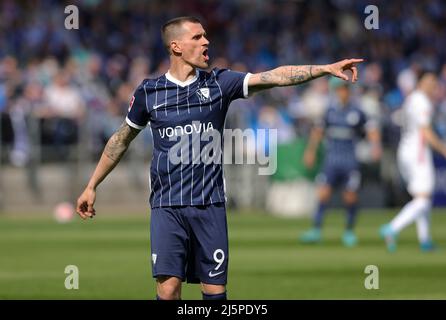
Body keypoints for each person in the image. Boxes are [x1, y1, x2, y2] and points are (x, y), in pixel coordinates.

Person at [76, 16, 364, 300]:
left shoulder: (220, 82)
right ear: (176, 46)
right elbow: (121, 139)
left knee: (214, 290)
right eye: (198, 37)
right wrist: (92, 185)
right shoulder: (149, 92)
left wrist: (324, 69)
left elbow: (274, 77)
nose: (206, 41)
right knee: (168, 289)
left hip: (209, 204)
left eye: (205, 36)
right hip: (167, 205)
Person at [300, 77, 381, 247]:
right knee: (323, 193)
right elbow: (318, 132)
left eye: (345, 89)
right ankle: (316, 230)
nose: (342, 92)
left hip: (350, 161)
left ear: (348, 91)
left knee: (350, 196)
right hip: (332, 160)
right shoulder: (330, 111)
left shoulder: (357, 112)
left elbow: (372, 129)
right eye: (339, 89)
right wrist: (311, 151)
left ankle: (349, 231)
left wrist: (375, 146)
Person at [380, 72, 446, 252]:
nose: (434, 85)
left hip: (406, 149)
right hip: (418, 153)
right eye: (431, 81)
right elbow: (426, 132)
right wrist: (443, 148)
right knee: (424, 199)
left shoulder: (411, 99)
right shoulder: (422, 101)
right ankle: (392, 228)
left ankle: (425, 240)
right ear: (421, 82)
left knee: (421, 197)